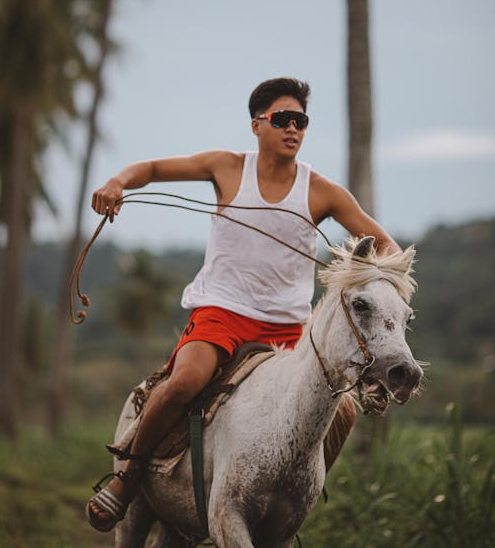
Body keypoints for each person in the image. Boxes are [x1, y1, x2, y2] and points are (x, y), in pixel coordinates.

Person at [86, 77, 399, 531]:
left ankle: (291, 507)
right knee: (185, 380)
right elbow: (151, 168)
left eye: (301, 121)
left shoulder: (322, 191)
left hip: (289, 333)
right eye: (282, 119)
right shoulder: (227, 167)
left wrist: (371, 272)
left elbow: (385, 244)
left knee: (344, 409)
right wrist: (117, 183)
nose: (293, 129)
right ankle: (128, 477)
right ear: (257, 125)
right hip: (222, 312)